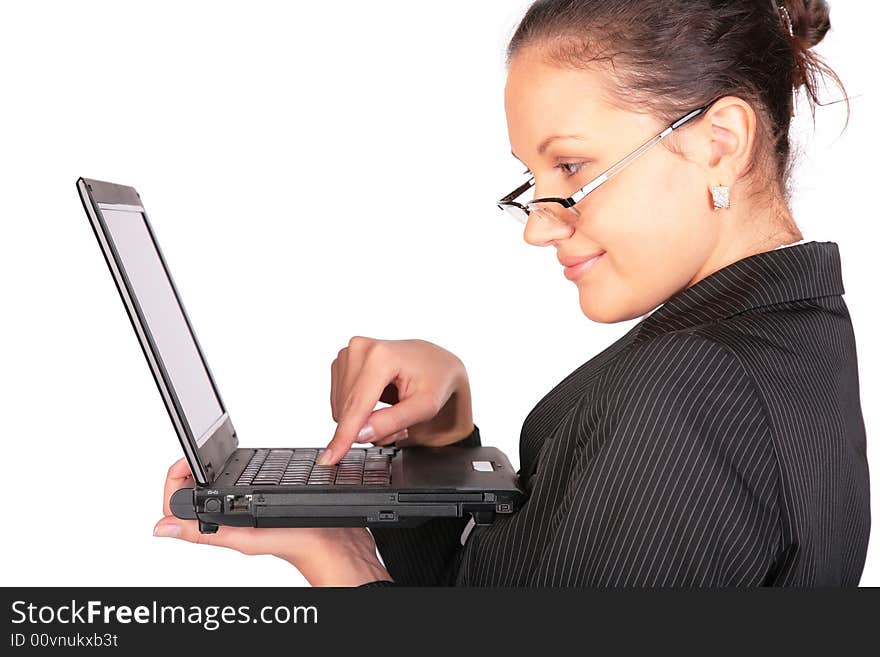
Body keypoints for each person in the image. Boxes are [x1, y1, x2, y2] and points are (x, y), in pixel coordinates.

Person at [153, 0, 871, 586]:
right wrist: (442, 437)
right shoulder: (795, 329)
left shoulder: (686, 395)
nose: (538, 228)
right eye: (535, 180)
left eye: (571, 164)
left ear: (719, 141)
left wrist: (339, 565)